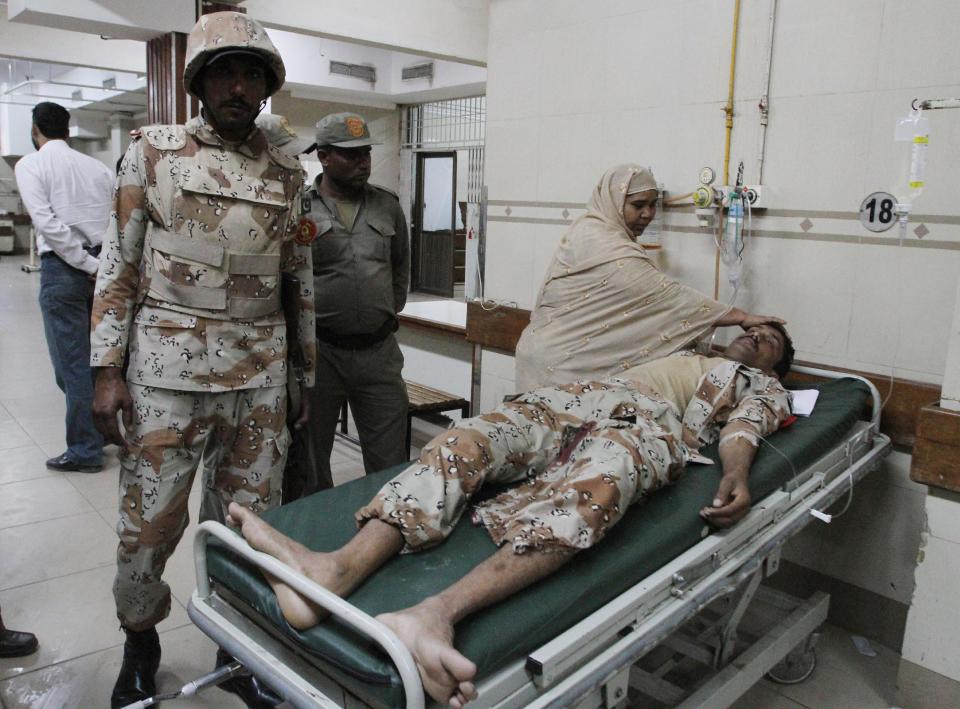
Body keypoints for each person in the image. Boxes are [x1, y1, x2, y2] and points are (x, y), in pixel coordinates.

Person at [229, 322, 795, 707]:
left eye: (768, 339)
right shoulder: (684, 348)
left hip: (649, 428)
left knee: (596, 490)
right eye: (750, 329)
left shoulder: (762, 387)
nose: (753, 337)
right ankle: (338, 569)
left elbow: (743, 431)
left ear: (779, 365)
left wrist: (736, 475)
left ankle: (435, 613)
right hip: (580, 399)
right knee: (469, 439)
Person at [88, 12, 315, 708]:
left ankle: (238, 647)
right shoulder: (153, 154)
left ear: (267, 88)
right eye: (225, 72)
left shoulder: (286, 170)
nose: (239, 87)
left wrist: (302, 373)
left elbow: (297, 278)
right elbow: (119, 265)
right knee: (149, 525)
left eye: (252, 75)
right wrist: (105, 371)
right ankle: (140, 643)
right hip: (167, 378)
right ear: (199, 82)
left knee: (250, 525)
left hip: (262, 378)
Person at [514, 164, 784, 391]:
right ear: (614, 201)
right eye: (638, 205)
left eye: (653, 205)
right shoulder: (597, 238)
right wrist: (738, 316)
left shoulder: (605, 235)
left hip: (553, 355)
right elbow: (662, 294)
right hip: (558, 363)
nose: (648, 214)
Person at [295, 112, 411, 498]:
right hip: (320, 354)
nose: (363, 162)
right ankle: (317, 544)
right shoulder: (300, 208)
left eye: (365, 153)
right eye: (351, 154)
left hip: (378, 353)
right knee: (311, 461)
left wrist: (382, 314)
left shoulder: (387, 206)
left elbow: (399, 267)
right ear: (324, 156)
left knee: (391, 462)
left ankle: (385, 538)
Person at [14, 101, 114, 473]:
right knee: (94, 363)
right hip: (100, 269)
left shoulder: (31, 164)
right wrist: (101, 265)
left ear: (35, 129)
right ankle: (100, 431)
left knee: (72, 367)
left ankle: (86, 450)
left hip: (67, 271)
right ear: (68, 130)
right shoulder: (98, 168)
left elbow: (47, 224)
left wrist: (87, 264)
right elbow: (115, 219)